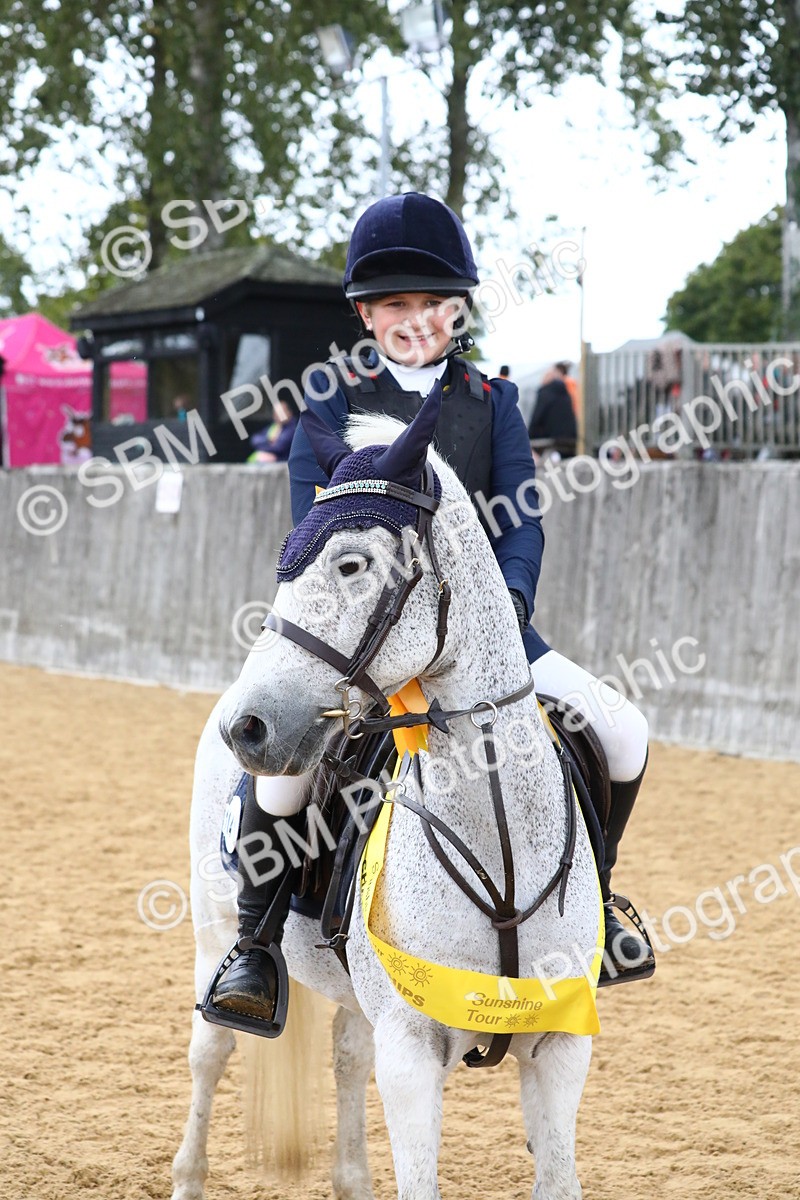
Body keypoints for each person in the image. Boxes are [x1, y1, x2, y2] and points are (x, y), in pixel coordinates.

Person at [210, 192, 653, 1025]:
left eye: (432, 304)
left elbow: (521, 520)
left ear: (458, 310)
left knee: (622, 731)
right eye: (395, 306)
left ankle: (600, 902)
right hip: (365, 645)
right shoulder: (327, 412)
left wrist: (508, 604)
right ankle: (255, 945)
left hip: (488, 638)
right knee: (284, 782)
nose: (416, 320)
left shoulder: (494, 402)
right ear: (366, 314)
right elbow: (313, 542)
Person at [528, 366, 578, 460]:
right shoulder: (566, 392)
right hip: (571, 437)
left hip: (552, 438)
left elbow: (537, 417)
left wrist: (528, 437)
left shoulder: (545, 393)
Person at [247, 399, 298, 463]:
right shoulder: (274, 427)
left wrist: (265, 446)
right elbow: (254, 440)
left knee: (261, 458)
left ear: (289, 413)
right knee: (258, 457)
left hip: (287, 463)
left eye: (280, 413)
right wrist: (268, 440)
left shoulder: (294, 428)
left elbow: (279, 447)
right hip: (272, 461)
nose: (276, 416)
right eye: (275, 413)